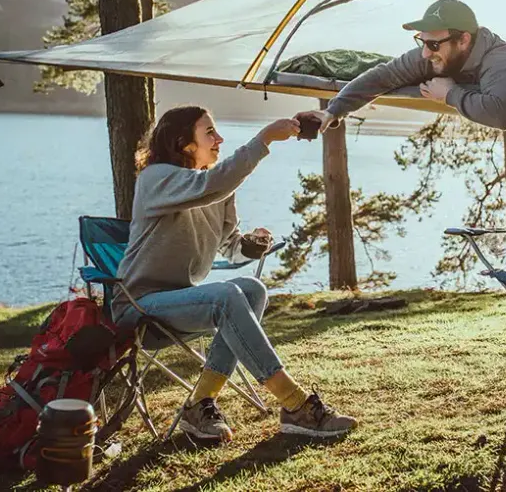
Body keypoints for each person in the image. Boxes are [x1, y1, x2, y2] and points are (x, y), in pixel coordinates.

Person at [111, 105, 358, 442]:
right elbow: (214, 182)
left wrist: (252, 245)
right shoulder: (156, 178)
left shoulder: (216, 191)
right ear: (183, 142)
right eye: (209, 132)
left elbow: (230, 247)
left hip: (180, 305)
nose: (219, 139)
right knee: (225, 297)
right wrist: (265, 138)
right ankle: (295, 403)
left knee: (253, 289)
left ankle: (199, 404)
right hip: (138, 307)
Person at [295, 0, 506, 132]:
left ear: (463, 40)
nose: (426, 54)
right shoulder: (434, 52)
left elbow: (502, 114)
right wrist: (332, 111)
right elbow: (384, 76)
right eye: (422, 42)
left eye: (433, 45)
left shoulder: (501, 61)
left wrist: (451, 94)